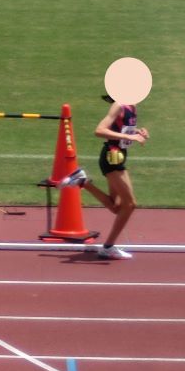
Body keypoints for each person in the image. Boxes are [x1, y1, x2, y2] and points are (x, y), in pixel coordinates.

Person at [60, 98, 148, 259]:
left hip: (119, 155)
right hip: (111, 156)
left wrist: (137, 133)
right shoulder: (118, 106)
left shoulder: (132, 106)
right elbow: (99, 130)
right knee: (130, 204)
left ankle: (82, 181)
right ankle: (108, 247)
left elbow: (122, 131)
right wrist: (130, 137)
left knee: (117, 207)